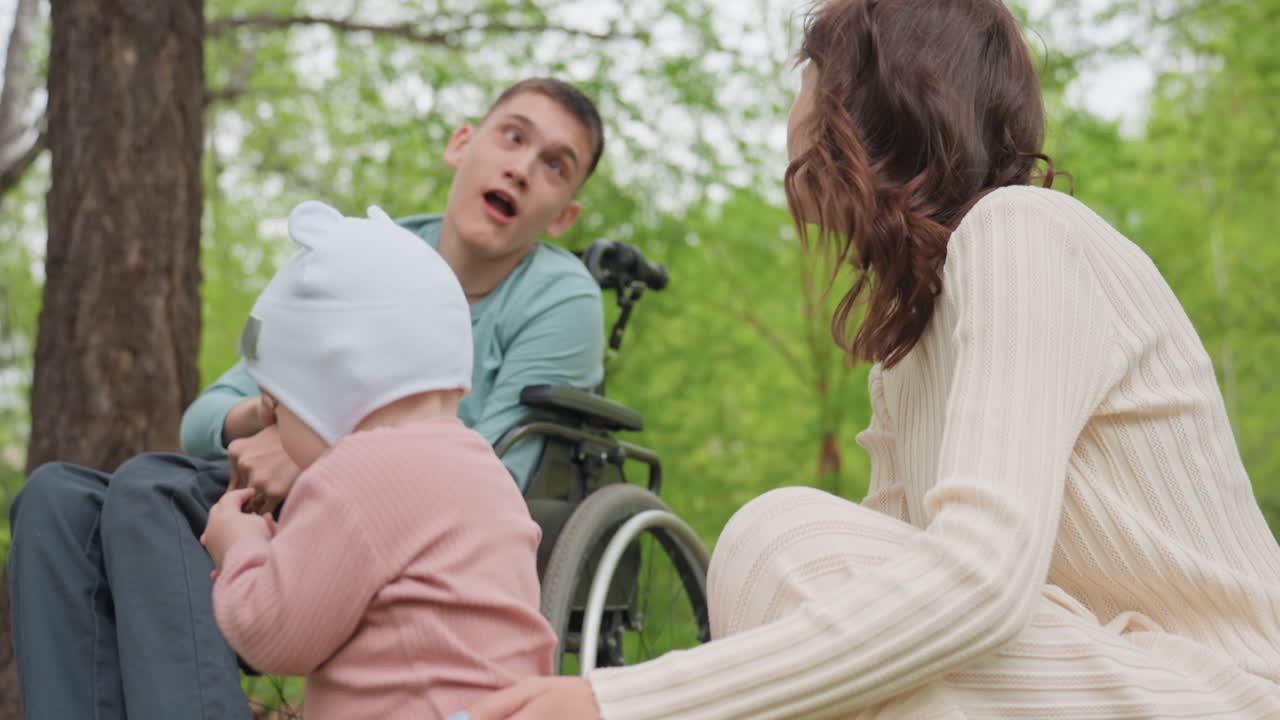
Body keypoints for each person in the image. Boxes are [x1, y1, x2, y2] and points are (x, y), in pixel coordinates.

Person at [462, 1, 1280, 718]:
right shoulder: (906, 349)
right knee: (819, 583)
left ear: (860, 98)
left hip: (1218, 688)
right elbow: (884, 616)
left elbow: (979, 583)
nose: (791, 117)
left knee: (782, 544)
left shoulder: (1023, 233)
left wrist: (620, 703)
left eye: (806, 81)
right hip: (1076, 670)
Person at [8, 77, 606, 719]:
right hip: (299, 475)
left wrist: (324, 447)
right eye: (513, 137)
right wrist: (277, 417)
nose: (520, 169)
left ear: (565, 213)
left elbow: (492, 473)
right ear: (464, 143)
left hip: (410, 517)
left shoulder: (558, 296)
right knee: (57, 499)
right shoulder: (374, 254)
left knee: (150, 488)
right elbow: (204, 421)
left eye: (553, 165)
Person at [200, 200, 556, 720]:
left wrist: (243, 550)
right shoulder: (479, 465)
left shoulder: (357, 473)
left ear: (327, 379)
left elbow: (271, 637)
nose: (271, 422)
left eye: (277, 403)